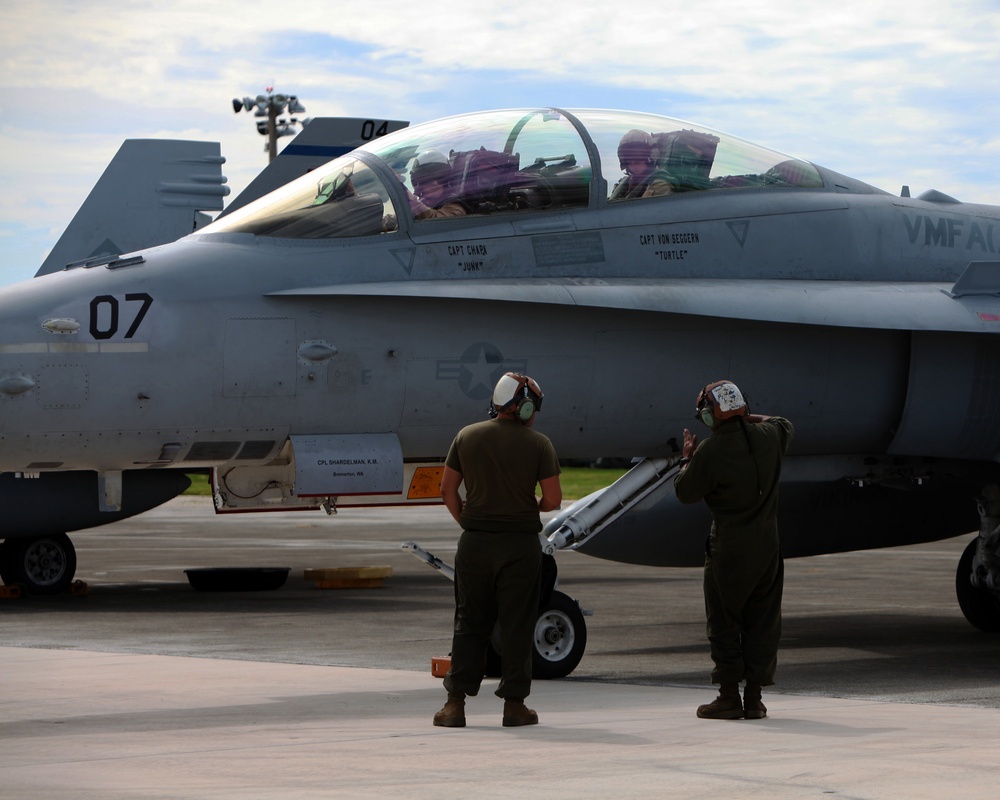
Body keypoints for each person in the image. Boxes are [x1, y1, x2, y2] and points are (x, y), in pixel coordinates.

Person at [433, 372, 562, 728]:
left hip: (474, 542)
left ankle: (454, 705)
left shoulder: (466, 436)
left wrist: (471, 524)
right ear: (523, 407)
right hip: (520, 546)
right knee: (517, 625)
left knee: (469, 622)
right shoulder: (540, 444)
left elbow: (447, 490)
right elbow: (553, 499)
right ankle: (514, 706)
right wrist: (530, 507)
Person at [673, 380, 793, 720]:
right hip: (767, 548)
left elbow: (684, 492)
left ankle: (728, 697)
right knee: (763, 621)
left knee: (724, 621)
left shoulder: (710, 451)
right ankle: (754, 698)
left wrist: (686, 459)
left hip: (728, 550)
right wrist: (747, 418)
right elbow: (784, 423)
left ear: (711, 417)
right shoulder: (770, 438)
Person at [609, 129, 673, 201]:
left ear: (652, 155)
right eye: (628, 158)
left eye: (639, 156)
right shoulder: (626, 182)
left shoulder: (659, 185)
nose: (633, 163)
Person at [408, 149, 468, 220]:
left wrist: (408, 197)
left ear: (448, 179)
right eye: (427, 178)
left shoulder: (456, 206)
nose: (435, 183)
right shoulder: (423, 203)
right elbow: (396, 220)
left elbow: (436, 220)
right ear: (416, 182)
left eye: (441, 177)